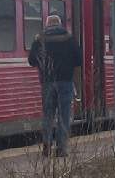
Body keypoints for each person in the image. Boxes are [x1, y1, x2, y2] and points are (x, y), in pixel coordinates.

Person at [27, 13, 82, 157]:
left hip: (47, 82)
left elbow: (31, 61)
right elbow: (78, 60)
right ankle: (61, 148)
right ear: (60, 24)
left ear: (47, 25)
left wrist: (43, 64)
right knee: (64, 115)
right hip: (65, 82)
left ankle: (46, 145)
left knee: (48, 115)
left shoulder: (39, 39)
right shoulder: (69, 38)